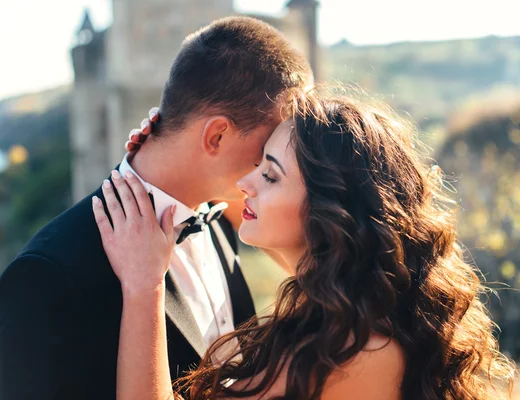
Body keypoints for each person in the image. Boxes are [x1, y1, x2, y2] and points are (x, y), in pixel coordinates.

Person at [94, 89, 516, 399]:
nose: (245, 184)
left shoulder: (357, 351)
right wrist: (176, 148)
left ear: (330, 211)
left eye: (270, 175)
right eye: (258, 165)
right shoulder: (336, 315)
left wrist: (143, 285)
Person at [0, 16, 312, 400]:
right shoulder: (46, 275)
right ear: (216, 136)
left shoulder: (223, 221)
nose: (267, 165)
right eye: (267, 148)